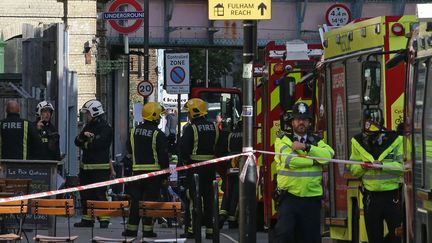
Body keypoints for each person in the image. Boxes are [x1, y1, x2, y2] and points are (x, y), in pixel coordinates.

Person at [273, 101, 334, 243]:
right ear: (292, 122)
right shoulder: (282, 140)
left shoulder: (316, 141)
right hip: (289, 197)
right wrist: (314, 160)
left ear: (309, 123)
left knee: (310, 239)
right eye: (298, 119)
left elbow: (329, 155)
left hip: (311, 199)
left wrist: (307, 147)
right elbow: (290, 161)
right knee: (284, 235)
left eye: (305, 119)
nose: (301, 122)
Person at [348, 116, 403, 243]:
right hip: (371, 198)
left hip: (393, 196)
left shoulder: (396, 140)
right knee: (374, 238)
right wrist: (362, 166)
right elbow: (353, 170)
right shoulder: (358, 142)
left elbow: (402, 167)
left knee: (397, 238)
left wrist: (382, 166)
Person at [122, 102, 169, 238]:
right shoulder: (158, 134)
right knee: (149, 202)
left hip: (136, 173)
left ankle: (131, 230)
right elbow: (163, 157)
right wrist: (165, 175)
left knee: (135, 202)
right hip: (153, 175)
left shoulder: (133, 132)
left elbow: (130, 149)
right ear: (153, 116)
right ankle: (147, 230)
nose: (160, 118)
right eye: (159, 116)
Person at [179, 98, 219, 239]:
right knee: (210, 200)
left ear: (194, 112)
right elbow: (219, 148)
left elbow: (184, 149)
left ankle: (192, 230)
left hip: (194, 169)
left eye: (188, 112)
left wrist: (186, 161)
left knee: (193, 200)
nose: (188, 115)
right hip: (210, 169)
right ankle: (210, 231)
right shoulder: (214, 127)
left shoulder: (191, 128)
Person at [74, 99, 113, 229]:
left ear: (95, 113)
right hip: (85, 168)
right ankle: (87, 219)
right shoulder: (88, 127)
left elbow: (98, 145)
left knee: (100, 194)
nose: (86, 116)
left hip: (100, 169)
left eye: (88, 113)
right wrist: (83, 136)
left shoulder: (106, 128)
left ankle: (104, 219)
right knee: (85, 195)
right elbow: (77, 141)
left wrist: (85, 143)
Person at [215, 119, 242, 229]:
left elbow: (228, 149)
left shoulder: (231, 135)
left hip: (230, 165)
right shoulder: (247, 133)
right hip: (241, 163)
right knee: (237, 191)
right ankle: (232, 219)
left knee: (228, 190)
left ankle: (222, 214)